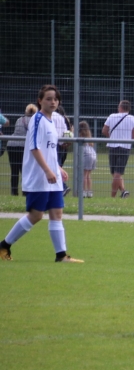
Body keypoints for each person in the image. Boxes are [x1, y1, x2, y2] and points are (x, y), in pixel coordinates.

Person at [0, 85, 83, 263]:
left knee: (57, 213)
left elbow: (49, 150)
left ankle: (61, 256)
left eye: (55, 99)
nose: (53, 102)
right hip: (39, 177)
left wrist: (57, 168)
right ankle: (4, 245)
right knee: (36, 215)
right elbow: (34, 147)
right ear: (40, 101)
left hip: (52, 176)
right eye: (48, 99)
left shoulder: (51, 121)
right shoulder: (37, 119)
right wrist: (47, 170)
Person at [102, 99, 134, 198]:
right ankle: (123, 191)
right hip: (125, 147)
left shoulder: (112, 116)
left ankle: (113, 196)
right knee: (117, 173)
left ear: (121, 107)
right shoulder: (133, 119)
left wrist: (112, 137)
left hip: (112, 146)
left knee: (115, 173)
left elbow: (104, 130)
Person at [6, 104, 35, 196]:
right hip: (23, 146)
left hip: (12, 145)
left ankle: (14, 192)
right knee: (25, 170)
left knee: (14, 171)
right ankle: (25, 191)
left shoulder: (19, 119)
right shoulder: (34, 121)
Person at [79, 121, 96, 198]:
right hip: (93, 154)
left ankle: (84, 191)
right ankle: (89, 192)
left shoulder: (81, 135)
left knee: (84, 175)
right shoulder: (89, 135)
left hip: (87, 155)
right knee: (88, 174)